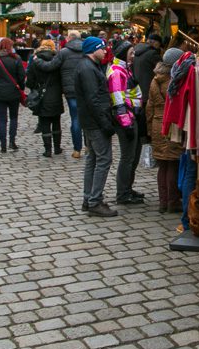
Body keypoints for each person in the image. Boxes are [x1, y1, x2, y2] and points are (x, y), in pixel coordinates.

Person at [76, 37, 117, 217]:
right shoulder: (87, 68)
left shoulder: (88, 66)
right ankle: (94, 201)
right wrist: (105, 123)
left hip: (91, 120)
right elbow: (94, 100)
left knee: (93, 158)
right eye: (103, 48)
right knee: (103, 159)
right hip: (95, 122)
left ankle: (89, 198)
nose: (106, 51)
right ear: (94, 50)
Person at [31, 29, 87, 158]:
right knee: (87, 118)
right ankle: (88, 147)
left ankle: (77, 149)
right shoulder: (86, 50)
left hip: (71, 90)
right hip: (86, 88)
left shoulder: (64, 52)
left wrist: (37, 60)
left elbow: (50, 66)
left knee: (76, 119)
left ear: (69, 38)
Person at [146, 47, 184, 213]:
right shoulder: (174, 80)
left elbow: (150, 106)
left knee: (162, 164)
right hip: (171, 123)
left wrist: (149, 128)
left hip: (156, 123)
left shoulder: (155, 79)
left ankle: (163, 202)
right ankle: (173, 201)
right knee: (173, 163)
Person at [108, 41, 143, 205]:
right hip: (126, 119)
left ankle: (127, 188)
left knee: (134, 155)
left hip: (132, 116)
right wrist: (126, 123)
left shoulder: (125, 69)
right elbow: (118, 100)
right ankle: (122, 194)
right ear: (123, 54)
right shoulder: (117, 72)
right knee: (128, 157)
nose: (133, 55)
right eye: (131, 52)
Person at [0, 37, 26, 153]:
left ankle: (3, 145)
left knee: (2, 120)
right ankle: (12, 141)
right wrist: (21, 88)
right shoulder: (16, 59)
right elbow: (22, 77)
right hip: (13, 93)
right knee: (14, 118)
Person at [26, 39, 63, 157]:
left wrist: (33, 87)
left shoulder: (35, 60)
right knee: (56, 121)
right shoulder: (57, 59)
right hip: (56, 93)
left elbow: (30, 80)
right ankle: (57, 148)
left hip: (41, 94)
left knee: (45, 122)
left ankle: (48, 150)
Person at [132, 33, 162, 142]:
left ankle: (142, 136)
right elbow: (161, 70)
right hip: (149, 89)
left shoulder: (136, 52)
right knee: (148, 115)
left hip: (138, 89)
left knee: (141, 115)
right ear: (155, 43)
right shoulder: (153, 54)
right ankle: (147, 137)